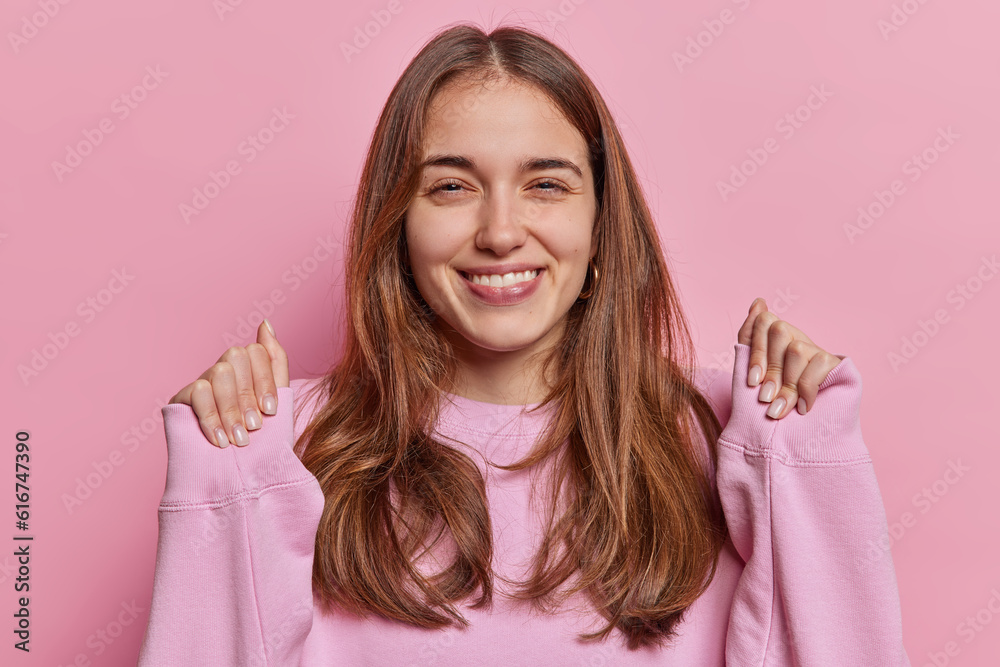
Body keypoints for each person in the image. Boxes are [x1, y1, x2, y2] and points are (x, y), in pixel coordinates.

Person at [138, 22, 910, 665]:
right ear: (397, 225)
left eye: (546, 184)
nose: (501, 232)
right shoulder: (281, 444)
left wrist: (807, 458)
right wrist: (222, 481)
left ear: (602, 221)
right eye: (451, 186)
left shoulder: (730, 434)